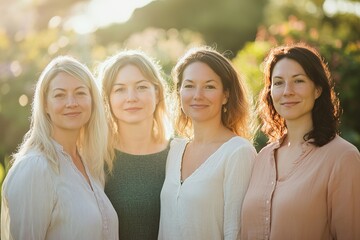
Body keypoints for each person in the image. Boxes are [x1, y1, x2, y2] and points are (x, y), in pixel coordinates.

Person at [241, 43, 360, 239]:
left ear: (318, 89)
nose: (287, 91)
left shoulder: (343, 158)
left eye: (298, 81)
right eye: (278, 82)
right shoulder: (263, 157)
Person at [1, 56, 119, 239]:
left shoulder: (89, 162)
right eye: (59, 95)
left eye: (80, 93)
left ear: (92, 100)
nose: (71, 102)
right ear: (45, 105)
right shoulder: (35, 168)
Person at [158, 46, 256, 240]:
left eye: (209, 86)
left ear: (226, 95)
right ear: (179, 92)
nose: (197, 95)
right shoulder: (175, 150)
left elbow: (235, 232)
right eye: (189, 85)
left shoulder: (238, 152)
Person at [97, 49, 172, 240]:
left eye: (141, 87)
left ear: (157, 92)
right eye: (120, 89)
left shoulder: (180, 154)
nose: (132, 97)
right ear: (107, 98)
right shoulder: (95, 157)